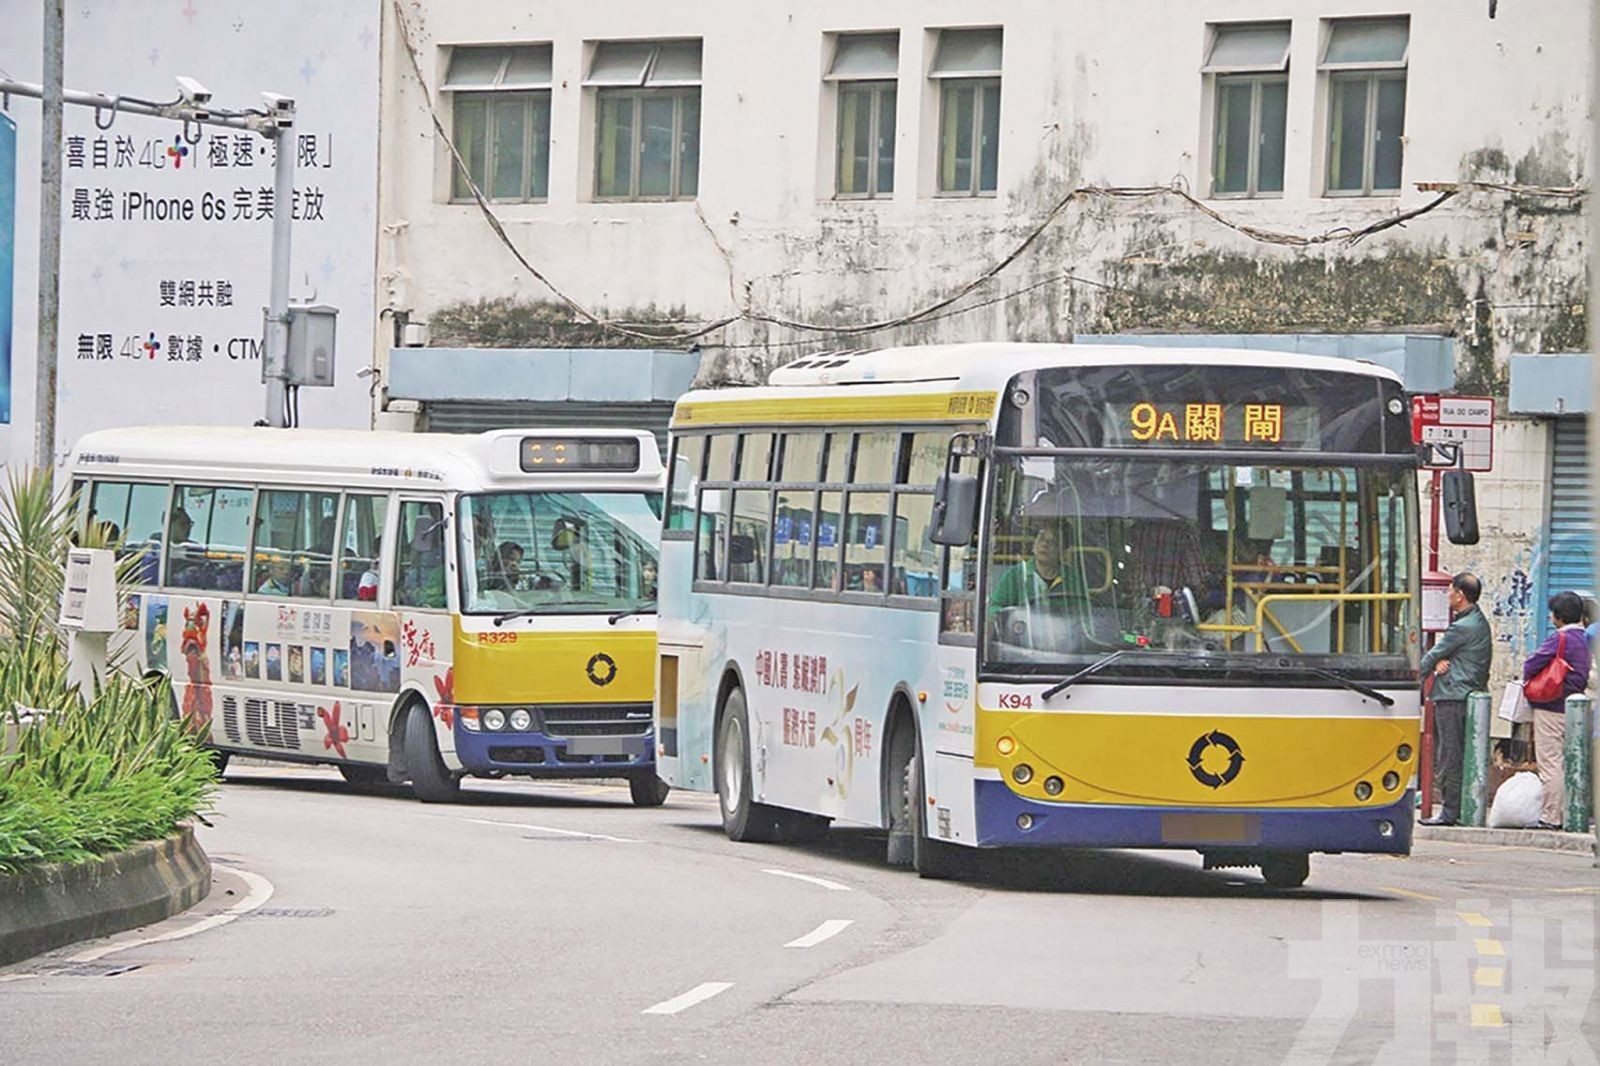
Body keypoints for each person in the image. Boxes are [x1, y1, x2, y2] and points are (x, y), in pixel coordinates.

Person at [1417, 572, 1493, 827]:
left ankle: (1450, 812)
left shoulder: (1462, 627)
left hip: (1453, 695)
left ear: (1460, 595)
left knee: (1449, 756)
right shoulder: (1477, 621)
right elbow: (1444, 656)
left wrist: (1407, 679)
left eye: (1449, 590)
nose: (1447, 594)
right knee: (1456, 754)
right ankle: (1455, 809)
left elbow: (1432, 656)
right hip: (1464, 693)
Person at [1522, 590, 1593, 830]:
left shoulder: (1560, 638)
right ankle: (1567, 814)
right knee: (1568, 763)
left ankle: (1551, 817)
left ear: (1559, 616)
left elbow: (1532, 664)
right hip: (1575, 710)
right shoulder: (1585, 638)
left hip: (1551, 707)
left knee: (1551, 762)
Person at [988, 524, 1087, 612]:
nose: (1044, 545)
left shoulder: (1072, 578)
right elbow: (993, 609)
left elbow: (1084, 613)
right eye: (1041, 539)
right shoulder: (1015, 575)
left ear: (1063, 551)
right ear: (1033, 545)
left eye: (1052, 542)